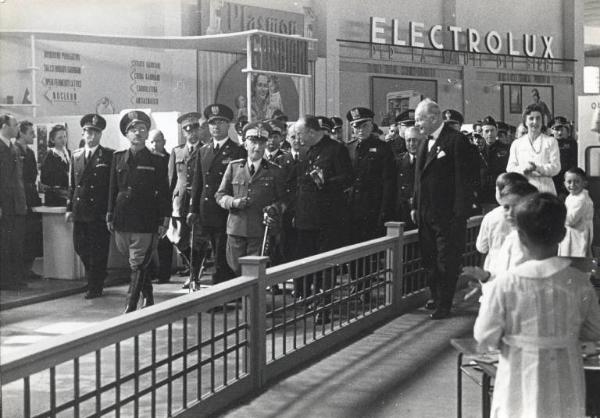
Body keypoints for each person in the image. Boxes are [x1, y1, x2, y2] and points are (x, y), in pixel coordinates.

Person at [474, 192, 600, 418]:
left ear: (520, 236)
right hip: (565, 372)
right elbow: (593, 330)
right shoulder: (579, 282)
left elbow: (484, 335)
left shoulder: (505, 283)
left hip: (518, 369)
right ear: (562, 234)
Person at [411, 99, 472, 319]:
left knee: (446, 259)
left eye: (420, 118)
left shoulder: (456, 141)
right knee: (429, 257)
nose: (417, 123)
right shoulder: (422, 142)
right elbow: (418, 178)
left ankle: (444, 303)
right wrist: (415, 206)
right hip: (426, 212)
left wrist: (459, 213)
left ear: (434, 118)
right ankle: (435, 296)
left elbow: (463, 180)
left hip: (448, 214)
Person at [290, 115, 354, 324]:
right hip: (305, 219)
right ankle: (311, 300)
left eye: (299, 133)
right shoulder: (307, 152)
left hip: (327, 219)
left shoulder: (336, 150)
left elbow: (347, 178)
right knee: (308, 262)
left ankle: (325, 306)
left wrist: (326, 182)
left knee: (325, 265)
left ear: (311, 131)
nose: (296, 138)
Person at [107, 110, 170, 313]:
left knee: (137, 262)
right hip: (122, 218)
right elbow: (112, 188)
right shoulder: (117, 158)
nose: (138, 133)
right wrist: (110, 213)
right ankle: (149, 297)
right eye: (133, 130)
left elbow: (164, 193)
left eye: (142, 129)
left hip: (146, 218)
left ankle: (130, 305)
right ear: (127, 134)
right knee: (135, 260)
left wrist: (164, 219)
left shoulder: (157, 160)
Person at [215, 122, 287, 275]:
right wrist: (233, 202)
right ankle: (243, 297)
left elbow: (284, 201)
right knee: (236, 268)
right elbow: (219, 195)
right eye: (253, 142)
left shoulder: (275, 171)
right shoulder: (234, 167)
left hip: (260, 229)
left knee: (254, 272)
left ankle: (251, 299)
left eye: (262, 143)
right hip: (236, 229)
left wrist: (274, 209)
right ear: (245, 144)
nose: (258, 147)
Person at [188, 104, 247, 284]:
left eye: (221, 122)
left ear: (228, 125)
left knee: (223, 254)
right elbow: (198, 182)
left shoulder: (237, 150)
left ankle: (222, 291)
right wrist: (192, 209)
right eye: (212, 123)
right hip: (206, 210)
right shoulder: (203, 151)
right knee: (204, 251)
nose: (216, 127)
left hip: (225, 211)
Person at [66, 114, 113, 299]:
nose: (91, 136)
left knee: (98, 250)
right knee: (80, 246)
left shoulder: (108, 155)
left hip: (98, 211)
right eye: (88, 132)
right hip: (80, 210)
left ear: (100, 135)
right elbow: (72, 184)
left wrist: (110, 211)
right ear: (83, 133)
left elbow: (111, 187)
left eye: (95, 132)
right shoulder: (76, 155)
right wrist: (69, 208)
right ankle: (97, 274)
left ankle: (95, 286)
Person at [168, 113, 209, 289]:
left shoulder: (206, 150)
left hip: (198, 201)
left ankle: (194, 276)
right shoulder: (177, 151)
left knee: (198, 241)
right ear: (183, 133)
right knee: (178, 239)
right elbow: (170, 180)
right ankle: (193, 271)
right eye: (187, 130)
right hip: (180, 201)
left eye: (194, 129)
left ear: (199, 130)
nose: (191, 133)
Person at [347, 107, 396, 242]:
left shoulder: (383, 148)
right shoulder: (349, 148)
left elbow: (388, 182)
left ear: (371, 126)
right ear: (352, 128)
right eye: (356, 127)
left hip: (373, 208)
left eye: (365, 126)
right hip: (352, 208)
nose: (361, 130)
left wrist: (384, 212)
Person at [506, 103, 560, 194]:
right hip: (523, 189)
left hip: (545, 189)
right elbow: (510, 168)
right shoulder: (517, 144)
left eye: (538, 118)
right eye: (531, 118)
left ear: (542, 121)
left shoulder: (551, 142)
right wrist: (523, 169)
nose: (535, 122)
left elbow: (556, 167)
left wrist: (537, 168)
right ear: (525, 122)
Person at [0, 113, 28, 290]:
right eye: (15, 124)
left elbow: (18, 179)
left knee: (17, 242)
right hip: (5, 204)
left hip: (16, 203)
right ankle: (5, 280)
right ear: (4, 126)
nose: (17, 128)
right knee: (5, 243)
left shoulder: (14, 148)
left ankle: (14, 278)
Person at [15, 121, 43, 280]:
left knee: (33, 234)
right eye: (31, 133)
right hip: (22, 196)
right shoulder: (15, 151)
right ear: (22, 133)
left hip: (31, 196)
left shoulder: (30, 153)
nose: (34, 135)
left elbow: (32, 176)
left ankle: (28, 268)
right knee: (23, 234)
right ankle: (20, 269)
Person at [148, 129, 174, 284]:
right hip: (149, 205)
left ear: (164, 142)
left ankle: (164, 274)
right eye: (151, 141)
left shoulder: (169, 159)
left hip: (164, 204)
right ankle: (150, 272)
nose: (153, 145)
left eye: (157, 141)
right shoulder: (147, 159)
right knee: (148, 241)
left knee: (164, 242)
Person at [558, 167, 594, 257]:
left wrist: (557, 215)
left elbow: (571, 220)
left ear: (584, 183)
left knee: (577, 255)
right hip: (571, 232)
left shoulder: (581, 199)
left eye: (577, 181)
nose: (572, 185)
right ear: (564, 183)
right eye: (569, 182)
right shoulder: (571, 196)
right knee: (568, 253)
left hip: (578, 233)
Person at [393, 126, 422, 230]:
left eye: (415, 140)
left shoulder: (428, 160)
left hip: (421, 211)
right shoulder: (398, 161)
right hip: (403, 212)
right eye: (408, 140)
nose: (411, 144)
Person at [41, 124, 71, 206]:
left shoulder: (68, 153)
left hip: (66, 196)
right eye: (60, 137)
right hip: (54, 197)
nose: (63, 140)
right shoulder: (49, 155)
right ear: (52, 140)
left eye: (65, 136)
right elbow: (44, 178)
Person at [549, 116, 578, 199]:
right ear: (552, 130)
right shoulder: (548, 143)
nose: (559, 132)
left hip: (567, 177)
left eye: (562, 129)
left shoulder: (572, 143)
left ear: (566, 130)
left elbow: (574, 162)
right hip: (553, 177)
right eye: (556, 129)